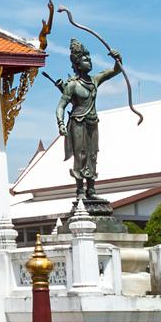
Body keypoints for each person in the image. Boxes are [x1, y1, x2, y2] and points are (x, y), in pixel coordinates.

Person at [42, 38, 124, 202]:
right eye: (85, 59)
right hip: (78, 121)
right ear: (78, 64)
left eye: (89, 58)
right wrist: (60, 124)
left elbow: (115, 71)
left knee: (93, 155)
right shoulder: (73, 85)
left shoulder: (94, 80)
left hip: (92, 122)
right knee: (80, 154)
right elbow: (61, 106)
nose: (89, 61)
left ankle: (91, 188)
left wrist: (118, 59)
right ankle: (80, 190)